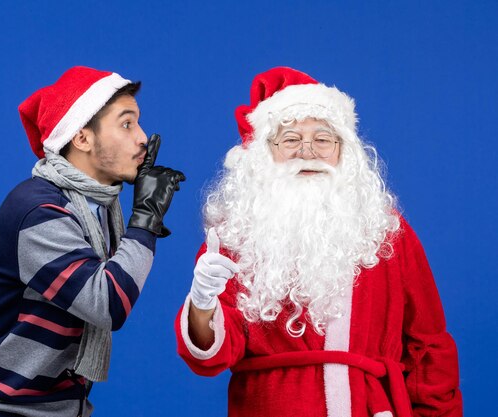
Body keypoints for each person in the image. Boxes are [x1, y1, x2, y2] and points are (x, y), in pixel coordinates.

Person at [175, 67, 462, 417]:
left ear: (345, 151)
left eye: (323, 139)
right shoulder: (237, 233)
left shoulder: (386, 231)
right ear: (265, 152)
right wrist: (203, 303)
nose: (307, 151)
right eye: (291, 139)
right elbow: (212, 357)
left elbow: (428, 346)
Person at [0, 66, 185, 417]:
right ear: (81, 138)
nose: (142, 137)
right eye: (126, 124)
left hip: (62, 408)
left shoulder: (99, 208)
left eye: (138, 123)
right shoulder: (39, 210)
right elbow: (107, 303)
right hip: (8, 409)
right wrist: (146, 219)